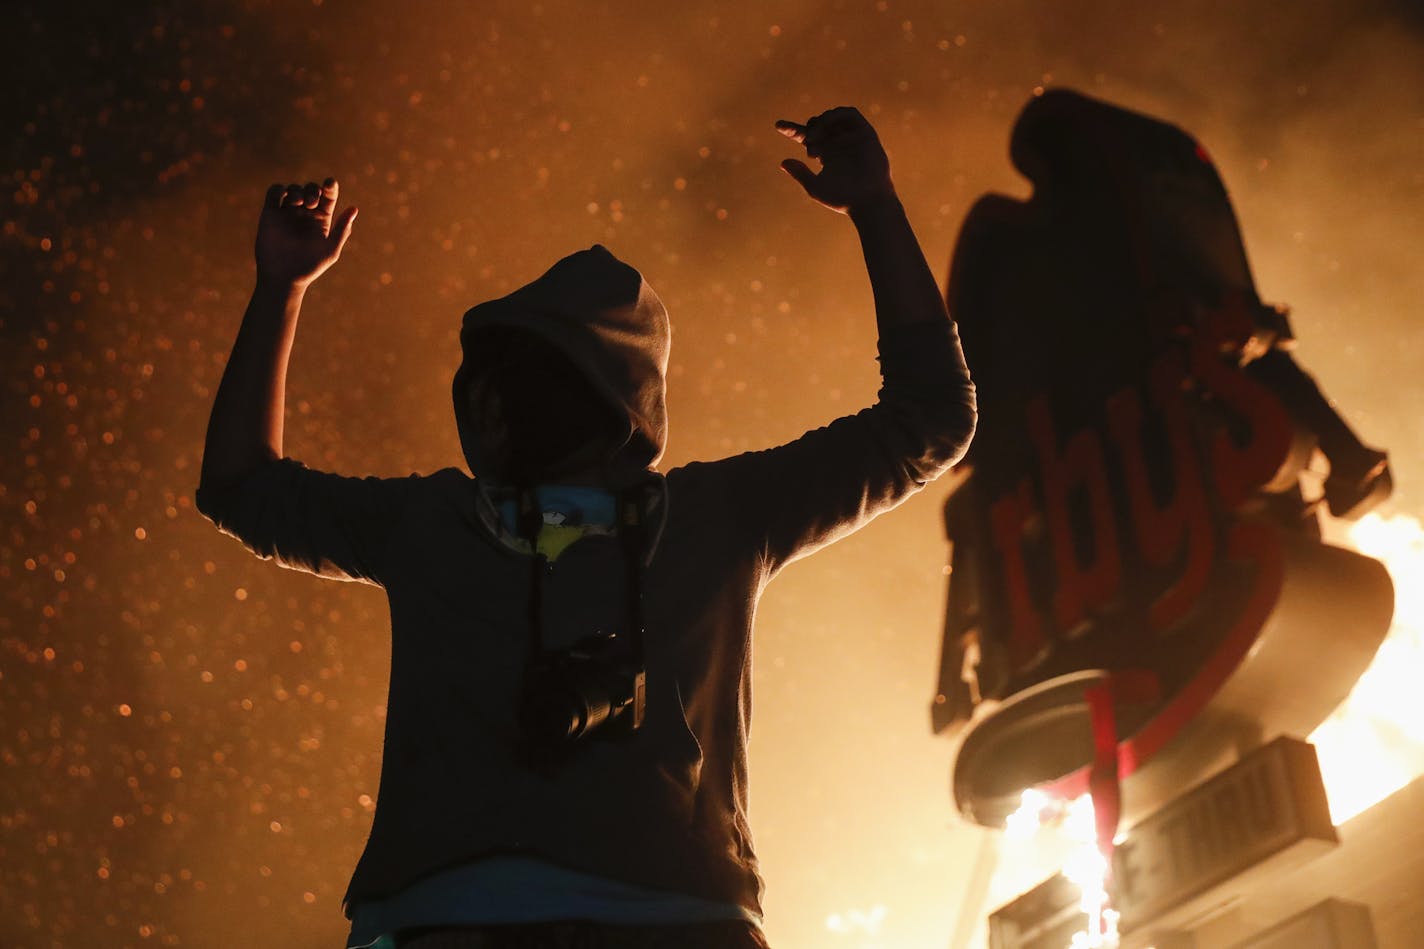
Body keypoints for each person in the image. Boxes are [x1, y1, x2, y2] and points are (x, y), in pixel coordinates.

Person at [196, 106, 976, 949]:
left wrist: (282, 285)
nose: (488, 407)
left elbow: (240, 486)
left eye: (514, 381)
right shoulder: (714, 519)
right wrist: (873, 206)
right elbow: (929, 418)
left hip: (442, 922)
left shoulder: (433, 526)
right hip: (676, 922)